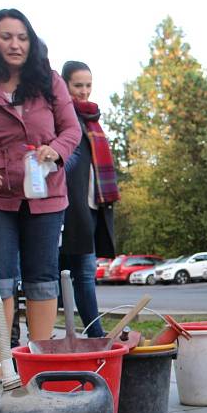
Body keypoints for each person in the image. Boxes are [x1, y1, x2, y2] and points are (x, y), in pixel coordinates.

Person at [0, 9, 81, 391]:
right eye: (6, 36)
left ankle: (37, 361)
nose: (15, 44)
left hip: (46, 193)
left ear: (31, 40)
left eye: (21, 37)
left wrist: (55, 151)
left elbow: (71, 129)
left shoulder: (49, 81)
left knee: (41, 279)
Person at [59, 61, 118, 338]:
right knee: (79, 271)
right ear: (65, 84)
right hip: (71, 207)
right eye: (77, 85)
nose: (84, 92)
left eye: (88, 85)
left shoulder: (91, 118)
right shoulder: (62, 115)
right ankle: (95, 335)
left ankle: (92, 333)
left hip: (94, 204)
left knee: (83, 271)